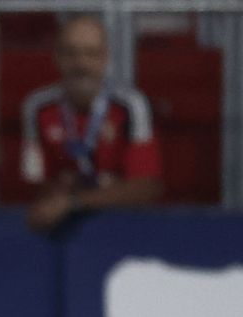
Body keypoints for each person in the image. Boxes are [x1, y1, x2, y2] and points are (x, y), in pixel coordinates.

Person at [20, 14, 162, 234]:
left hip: (124, 228)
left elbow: (146, 187)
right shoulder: (37, 106)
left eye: (91, 54)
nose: (81, 64)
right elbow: (31, 183)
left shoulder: (131, 105)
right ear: (56, 57)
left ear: (105, 58)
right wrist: (58, 192)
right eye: (71, 53)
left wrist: (75, 201)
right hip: (58, 230)